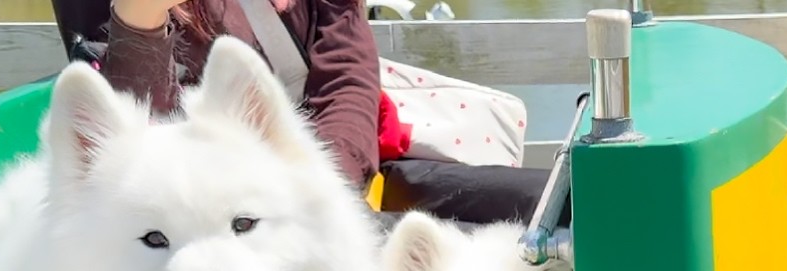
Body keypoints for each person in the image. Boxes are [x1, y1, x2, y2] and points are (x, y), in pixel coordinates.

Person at [48, 0, 568, 229]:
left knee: (571, 206)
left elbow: (347, 75)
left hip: (334, 178)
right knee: (464, 260)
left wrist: (323, 192)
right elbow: (133, 148)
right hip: (205, 224)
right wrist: (141, 17)